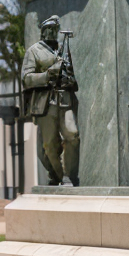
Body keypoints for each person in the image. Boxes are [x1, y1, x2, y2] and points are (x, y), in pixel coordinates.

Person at [21, 15, 79, 185]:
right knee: (49, 145)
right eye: (50, 30)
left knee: (73, 135)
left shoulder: (62, 48)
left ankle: (70, 174)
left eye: (55, 30)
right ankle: (61, 176)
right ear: (43, 31)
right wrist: (47, 75)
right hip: (46, 103)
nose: (53, 33)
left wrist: (68, 76)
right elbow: (27, 78)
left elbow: (71, 73)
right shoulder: (34, 51)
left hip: (65, 99)